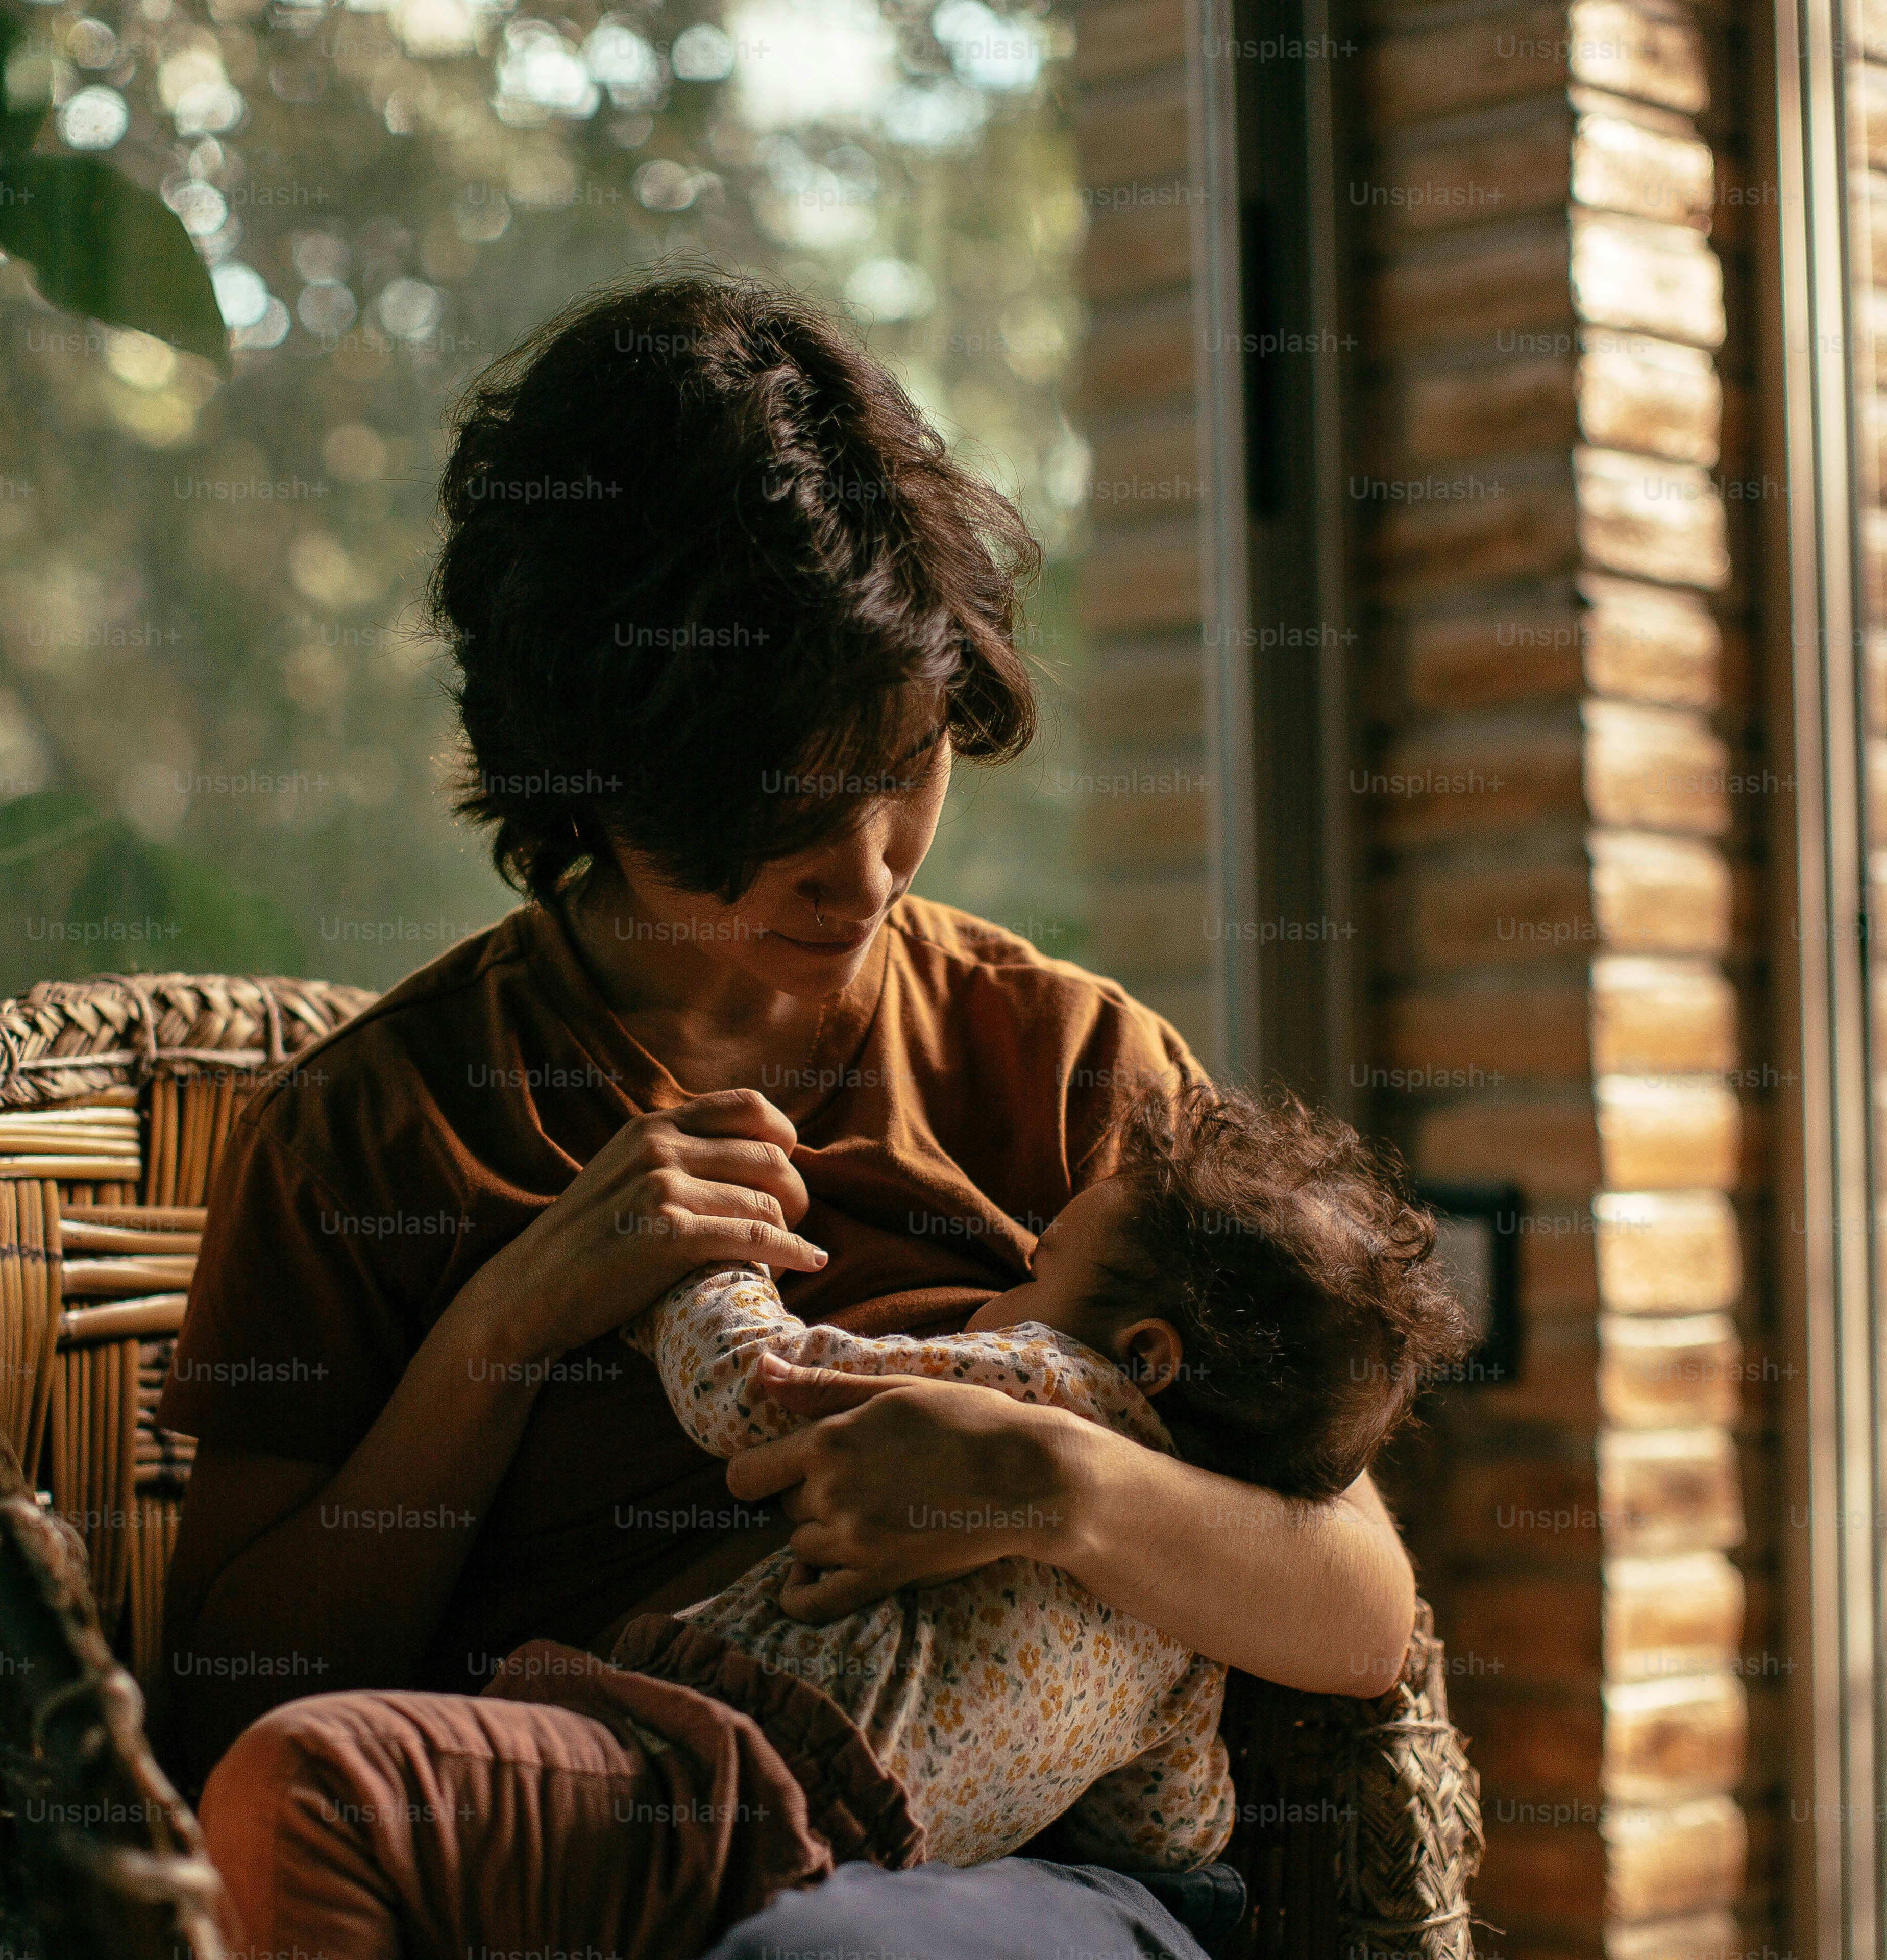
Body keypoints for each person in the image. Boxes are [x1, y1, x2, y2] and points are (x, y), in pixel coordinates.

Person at [155, 268, 1420, 1960]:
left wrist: (1050, 1483)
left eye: (904, 762)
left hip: (1025, 1887)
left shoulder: (1070, 1068)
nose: (865, 867)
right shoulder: (373, 1135)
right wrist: (508, 1326)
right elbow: (223, 1720)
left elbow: (1360, 1616)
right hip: (572, 1846)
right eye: (774, 811)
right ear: (589, 778)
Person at [190, 1084, 1471, 1959]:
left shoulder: (1046, 1377)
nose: (1011, 1283)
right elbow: (1174, 1836)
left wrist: (700, 1263)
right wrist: (504, 1321)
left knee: (317, 1785)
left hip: (719, 1785)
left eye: (1034, 1269)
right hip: (886, 1861)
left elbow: (755, 1392)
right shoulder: (1192, 1649)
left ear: (1144, 1353)